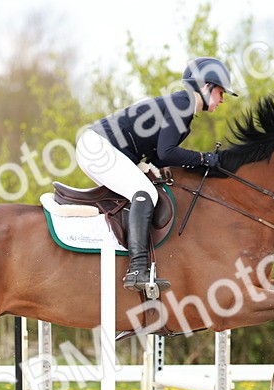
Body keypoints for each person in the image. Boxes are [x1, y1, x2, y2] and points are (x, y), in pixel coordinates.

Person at [76, 56, 238, 290]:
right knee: (144, 193)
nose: (222, 100)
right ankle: (137, 269)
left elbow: (159, 158)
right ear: (206, 87)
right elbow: (168, 152)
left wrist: (203, 165)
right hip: (99, 147)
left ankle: (122, 257)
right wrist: (203, 158)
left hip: (101, 147)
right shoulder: (182, 104)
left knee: (143, 192)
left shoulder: (182, 109)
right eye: (221, 92)